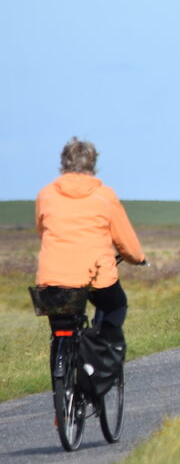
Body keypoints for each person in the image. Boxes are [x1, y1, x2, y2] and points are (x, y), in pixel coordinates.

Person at [35, 137, 146, 340]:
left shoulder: (46, 195)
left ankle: (61, 356)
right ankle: (102, 349)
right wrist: (137, 258)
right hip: (95, 275)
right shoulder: (104, 196)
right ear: (93, 163)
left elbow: (42, 232)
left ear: (63, 162)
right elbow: (125, 241)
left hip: (53, 277)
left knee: (60, 320)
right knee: (116, 305)